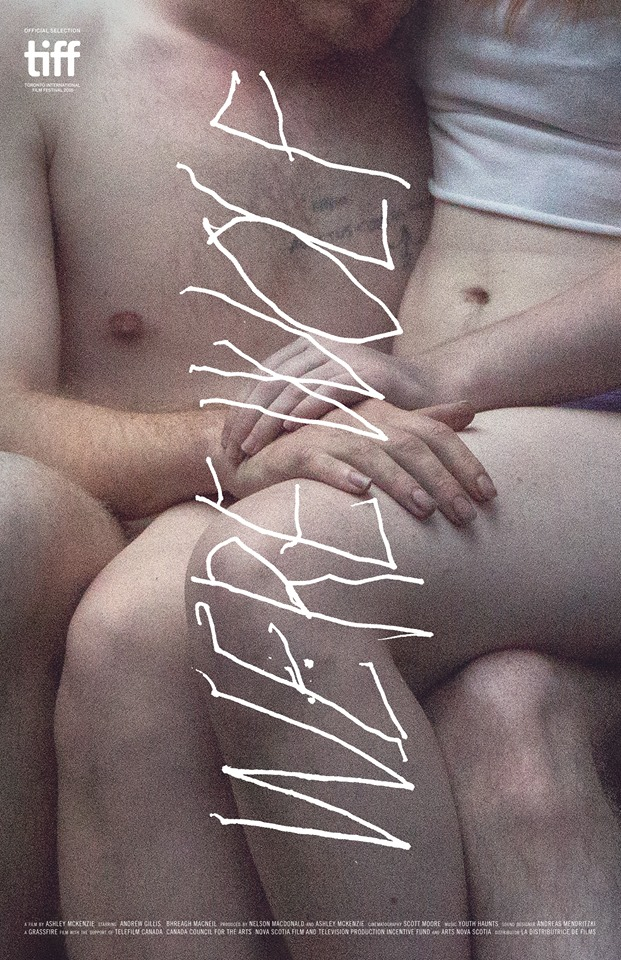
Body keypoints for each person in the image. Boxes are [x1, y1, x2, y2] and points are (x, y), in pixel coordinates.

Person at [1, 1, 494, 957]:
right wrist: (231, 447)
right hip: (111, 513)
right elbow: (4, 411)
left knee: (175, 613)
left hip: (366, 521)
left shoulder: (463, 56)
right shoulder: (43, 48)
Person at [182, 0, 621, 956]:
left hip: (556, 406)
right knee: (133, 643)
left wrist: (439, 373)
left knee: (274, 579)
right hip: (497, 420)